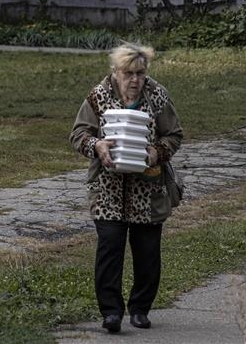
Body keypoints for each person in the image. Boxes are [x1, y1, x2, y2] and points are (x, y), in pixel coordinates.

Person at [69, 42, 183, 334]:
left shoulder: (157, 95)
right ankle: (111, 312)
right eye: (128, 73)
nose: (134, 80)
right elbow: (78, 133)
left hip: (149, 190)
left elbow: (174, 134)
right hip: (108, 189)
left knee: (147, 253)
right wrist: (97, 145)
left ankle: (140, 309)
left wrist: (157, 152)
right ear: (115, 72)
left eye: (140, 73)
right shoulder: (98, 95)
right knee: (110, 247)